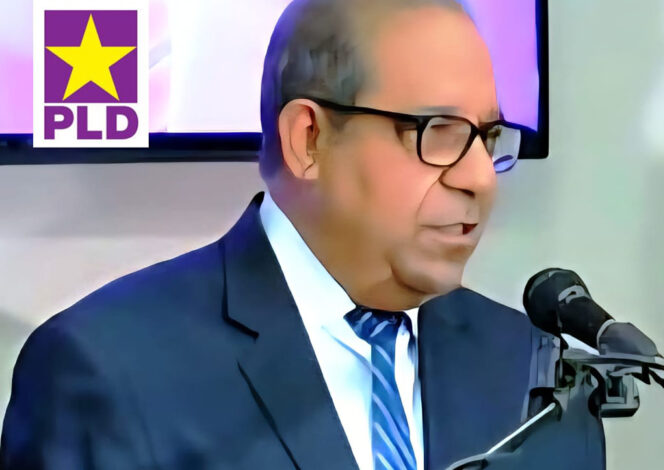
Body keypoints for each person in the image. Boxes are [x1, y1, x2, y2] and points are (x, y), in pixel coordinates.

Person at [1, 0, 604, 469]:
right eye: (437, 132)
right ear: (308, 140)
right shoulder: (106, 371)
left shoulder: (538, 375)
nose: (479, 178)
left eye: (488, 137)